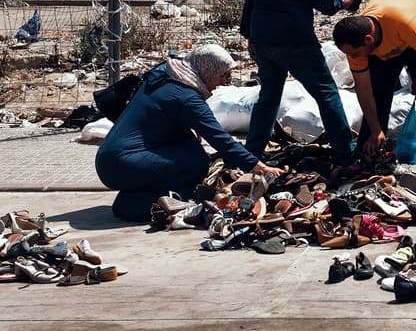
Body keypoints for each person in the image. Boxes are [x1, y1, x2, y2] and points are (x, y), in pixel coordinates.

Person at [96, 44, 283, 221]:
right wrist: (260, 167)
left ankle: (142, 195)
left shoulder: (164, 76)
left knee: (189, 146)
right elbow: (220, 139)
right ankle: (141, 205)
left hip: (110, 159)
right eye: (222, 75)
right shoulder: (186, 97)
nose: (224, 83)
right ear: (208, 71)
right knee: (197, 164)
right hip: (122, 165)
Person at [240, 0, 362, 165]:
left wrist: (249, 34)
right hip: (294, 37)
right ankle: (345, 153)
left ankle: (251, 155)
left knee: (269, 96)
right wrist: (345, 2)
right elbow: (324, 3)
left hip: (263, 36)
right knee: (326, 93)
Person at [332, 0, 416, 175]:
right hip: (387, 41)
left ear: (368, 39)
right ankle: (368, 153)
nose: (353, 58)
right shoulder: (356, 44)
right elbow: (364, 89)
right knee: (379, 95)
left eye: (355, 53)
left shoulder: (406, 24)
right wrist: (376, 129)